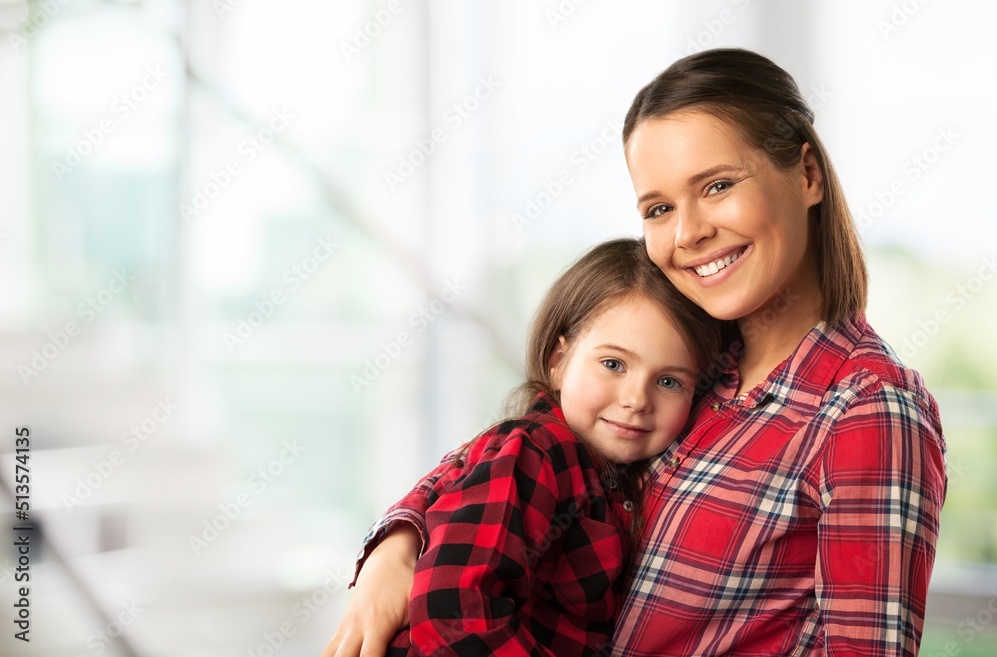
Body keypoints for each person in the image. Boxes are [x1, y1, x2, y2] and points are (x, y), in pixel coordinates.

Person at [323, 48, 947, 657]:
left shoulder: (867, 409)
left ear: (808, 174)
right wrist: (399, 546)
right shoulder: (693, 360)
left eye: (719, 185)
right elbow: (513, 450)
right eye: (659, 208)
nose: (688, 232)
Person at [368, 238, 720, 657]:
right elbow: (454, 612)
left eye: (669, 381)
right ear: (558, 360)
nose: (637, 399)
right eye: (613, 364)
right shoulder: (534, 451)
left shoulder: (619, 476)